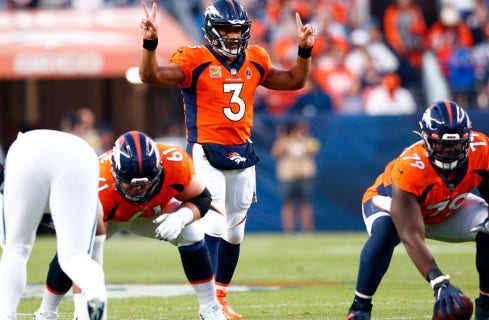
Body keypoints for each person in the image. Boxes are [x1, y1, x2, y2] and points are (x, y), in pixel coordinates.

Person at [138, 1, 315, 318]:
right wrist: (150, 42)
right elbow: (150, 75)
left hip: (243, 152)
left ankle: (221, 297)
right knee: (215, 223)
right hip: (206, 150)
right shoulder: (194, 59)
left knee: (235, 232)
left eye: (238, 29)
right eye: (226, 30)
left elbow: (293, 81)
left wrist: (304, 51)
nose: (233, 36)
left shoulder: (256, 58)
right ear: (210, 30)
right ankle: (208, 304)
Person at [346, 100, 489, 320]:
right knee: (387, 231)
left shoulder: (479, 149)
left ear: (467, 139)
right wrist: (438, 281)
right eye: (441, 143)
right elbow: (411, 236)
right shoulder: (411, 166)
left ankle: (488, 309)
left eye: (456, 144)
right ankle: (360, 308)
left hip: (445, 204)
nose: (450, 150)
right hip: (389, 201)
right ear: (425, 139)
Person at [33, 131, 225, 320]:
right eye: (130, 185)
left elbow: (202, 197)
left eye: (145, 184)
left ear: (159, 170)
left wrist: (183, 216)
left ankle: (211, 308)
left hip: (152, 214)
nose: (138, 190)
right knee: (72, 249)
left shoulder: (175, 163)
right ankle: (46, 312)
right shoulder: (96, 182)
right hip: (108, 217)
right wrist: (82, 309)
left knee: (191, 230)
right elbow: (84, 252)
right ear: (115, 173)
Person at [0, 130, 107, 320]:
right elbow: (98, 233)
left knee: (16, 249)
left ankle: (6, 316)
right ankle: (94, 288)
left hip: (28, 149)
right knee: (75, 256)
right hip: (81, 153)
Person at [271, 120, 320, 233]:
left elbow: (314, 150)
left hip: (304, 175)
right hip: (288, 176)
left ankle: (307, 230)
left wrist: (301, 139)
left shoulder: (308, 141)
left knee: (305, 204)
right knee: (288, 204)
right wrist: (285, 137)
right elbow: (276, 153)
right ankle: (288, 231)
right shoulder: (283, 141)